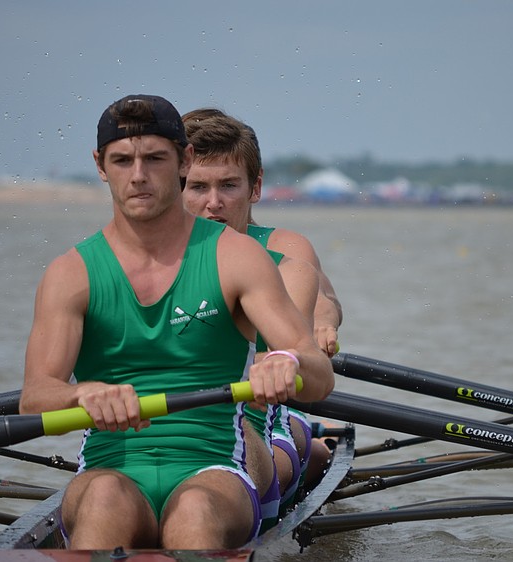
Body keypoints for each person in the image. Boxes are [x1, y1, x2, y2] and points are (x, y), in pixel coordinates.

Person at [18, 94, 334, 551]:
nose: (139, 175)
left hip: (212, 467)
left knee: (193, 513)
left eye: (155, 158)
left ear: (183, 159)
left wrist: (288, 362)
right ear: (101, 166)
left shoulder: (235, 256)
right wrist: (79, 393)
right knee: (105, 498)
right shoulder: (70, 274)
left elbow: (319, 376)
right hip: (110, 469)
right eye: (123, 160)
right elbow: (35, 397)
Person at [181, 109, 342, 513]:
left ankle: (316, 452)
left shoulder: (285, 250)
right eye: (197, 186)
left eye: (229, 186)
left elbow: (318, 297)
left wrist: (323, 322)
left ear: (255, 188)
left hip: (264, 417)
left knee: (296, 449)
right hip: (173, 421)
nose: (212, 204)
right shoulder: (141, 259)